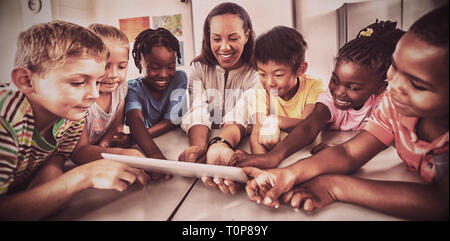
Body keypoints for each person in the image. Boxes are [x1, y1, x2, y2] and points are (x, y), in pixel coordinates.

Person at [243, 5, 449, 220]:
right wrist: (288, 173)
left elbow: (442, 203)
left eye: (417, 85)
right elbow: (349, 153)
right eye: (395, 68)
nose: (395, 86)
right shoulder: (394, 108)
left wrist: (335, 186)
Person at [0, 21, 149, 220]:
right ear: (27, 81)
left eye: (97, 81)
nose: (94, 93)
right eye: (78, 82)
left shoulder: (72, 116)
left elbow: (58, 154)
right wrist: (83, 176)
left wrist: (52, 172)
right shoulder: (6, 117)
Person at [230, 20, 405, 169]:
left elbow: (387, 139)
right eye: (335, 80)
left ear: (380, 87)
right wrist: (273, 157)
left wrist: (341, 148)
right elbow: (308, 127)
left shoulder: (386, 103)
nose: (339, 92)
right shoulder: (328, 99)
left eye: (353, 87)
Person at [178, 2, 258, 163]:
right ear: (208, 37)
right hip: (205, 141)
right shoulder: (198, 68)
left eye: (233, 38)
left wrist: (221, 144)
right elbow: (197, 109)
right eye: (216, 39)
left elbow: (241, 113)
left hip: (238, 146)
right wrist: (198, 148)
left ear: (246, 36)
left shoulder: (256, 73)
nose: (224, 47)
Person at [71, 23, 145, 165]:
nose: (113, 74)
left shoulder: (121, 89)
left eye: (122, 66)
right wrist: (124, 155)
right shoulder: (82, 99)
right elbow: (79, 152)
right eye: (106, 66)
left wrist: (106, 141)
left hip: (99, 152)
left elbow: (117, 125)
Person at [246, 26, 323, 155]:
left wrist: (275, 120)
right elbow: (256, 135)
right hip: (277, 159)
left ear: (300, 69)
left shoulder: (313, 87)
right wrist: (261, 166)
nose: (270, 83)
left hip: (305, 155)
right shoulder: (260, 92)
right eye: (262, 74)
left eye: (279, 75)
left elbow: (308, 125)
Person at [125, 28, 187, 160]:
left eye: (170, 67)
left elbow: (172, 120)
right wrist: (154, 155)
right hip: (148, 146)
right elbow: (135, 120)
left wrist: (132, 139)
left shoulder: (179, 78)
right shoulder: (132, 88)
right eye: (155, 68)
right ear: (138, 63)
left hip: (174, 142)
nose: (164, 74)